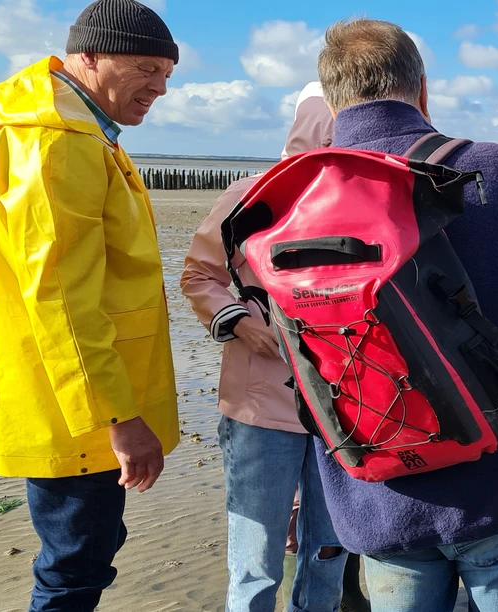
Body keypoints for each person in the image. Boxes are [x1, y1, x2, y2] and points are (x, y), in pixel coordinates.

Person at [310, 18, 498, 612]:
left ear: (331, 100)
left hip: (381, 483)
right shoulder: (496, 170)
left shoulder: (301, 196)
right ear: (422, 89)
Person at [0, 2, 179, 611]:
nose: (158, 87)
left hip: (68, 392)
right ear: (87, 57)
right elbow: (60, 296)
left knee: (88, 548)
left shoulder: (75, 129)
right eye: (143, 68)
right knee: (73, 568)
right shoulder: (55, 144)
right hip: (77, 408)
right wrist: (119, 417)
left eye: (165, 74)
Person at [181, 81, 351, 612]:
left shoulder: (361, 201)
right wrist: (235, 321)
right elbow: (199, 274)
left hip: (345, 408)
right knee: (255, 559)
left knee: (329, 551)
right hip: (259, 405)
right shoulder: (248, 197)